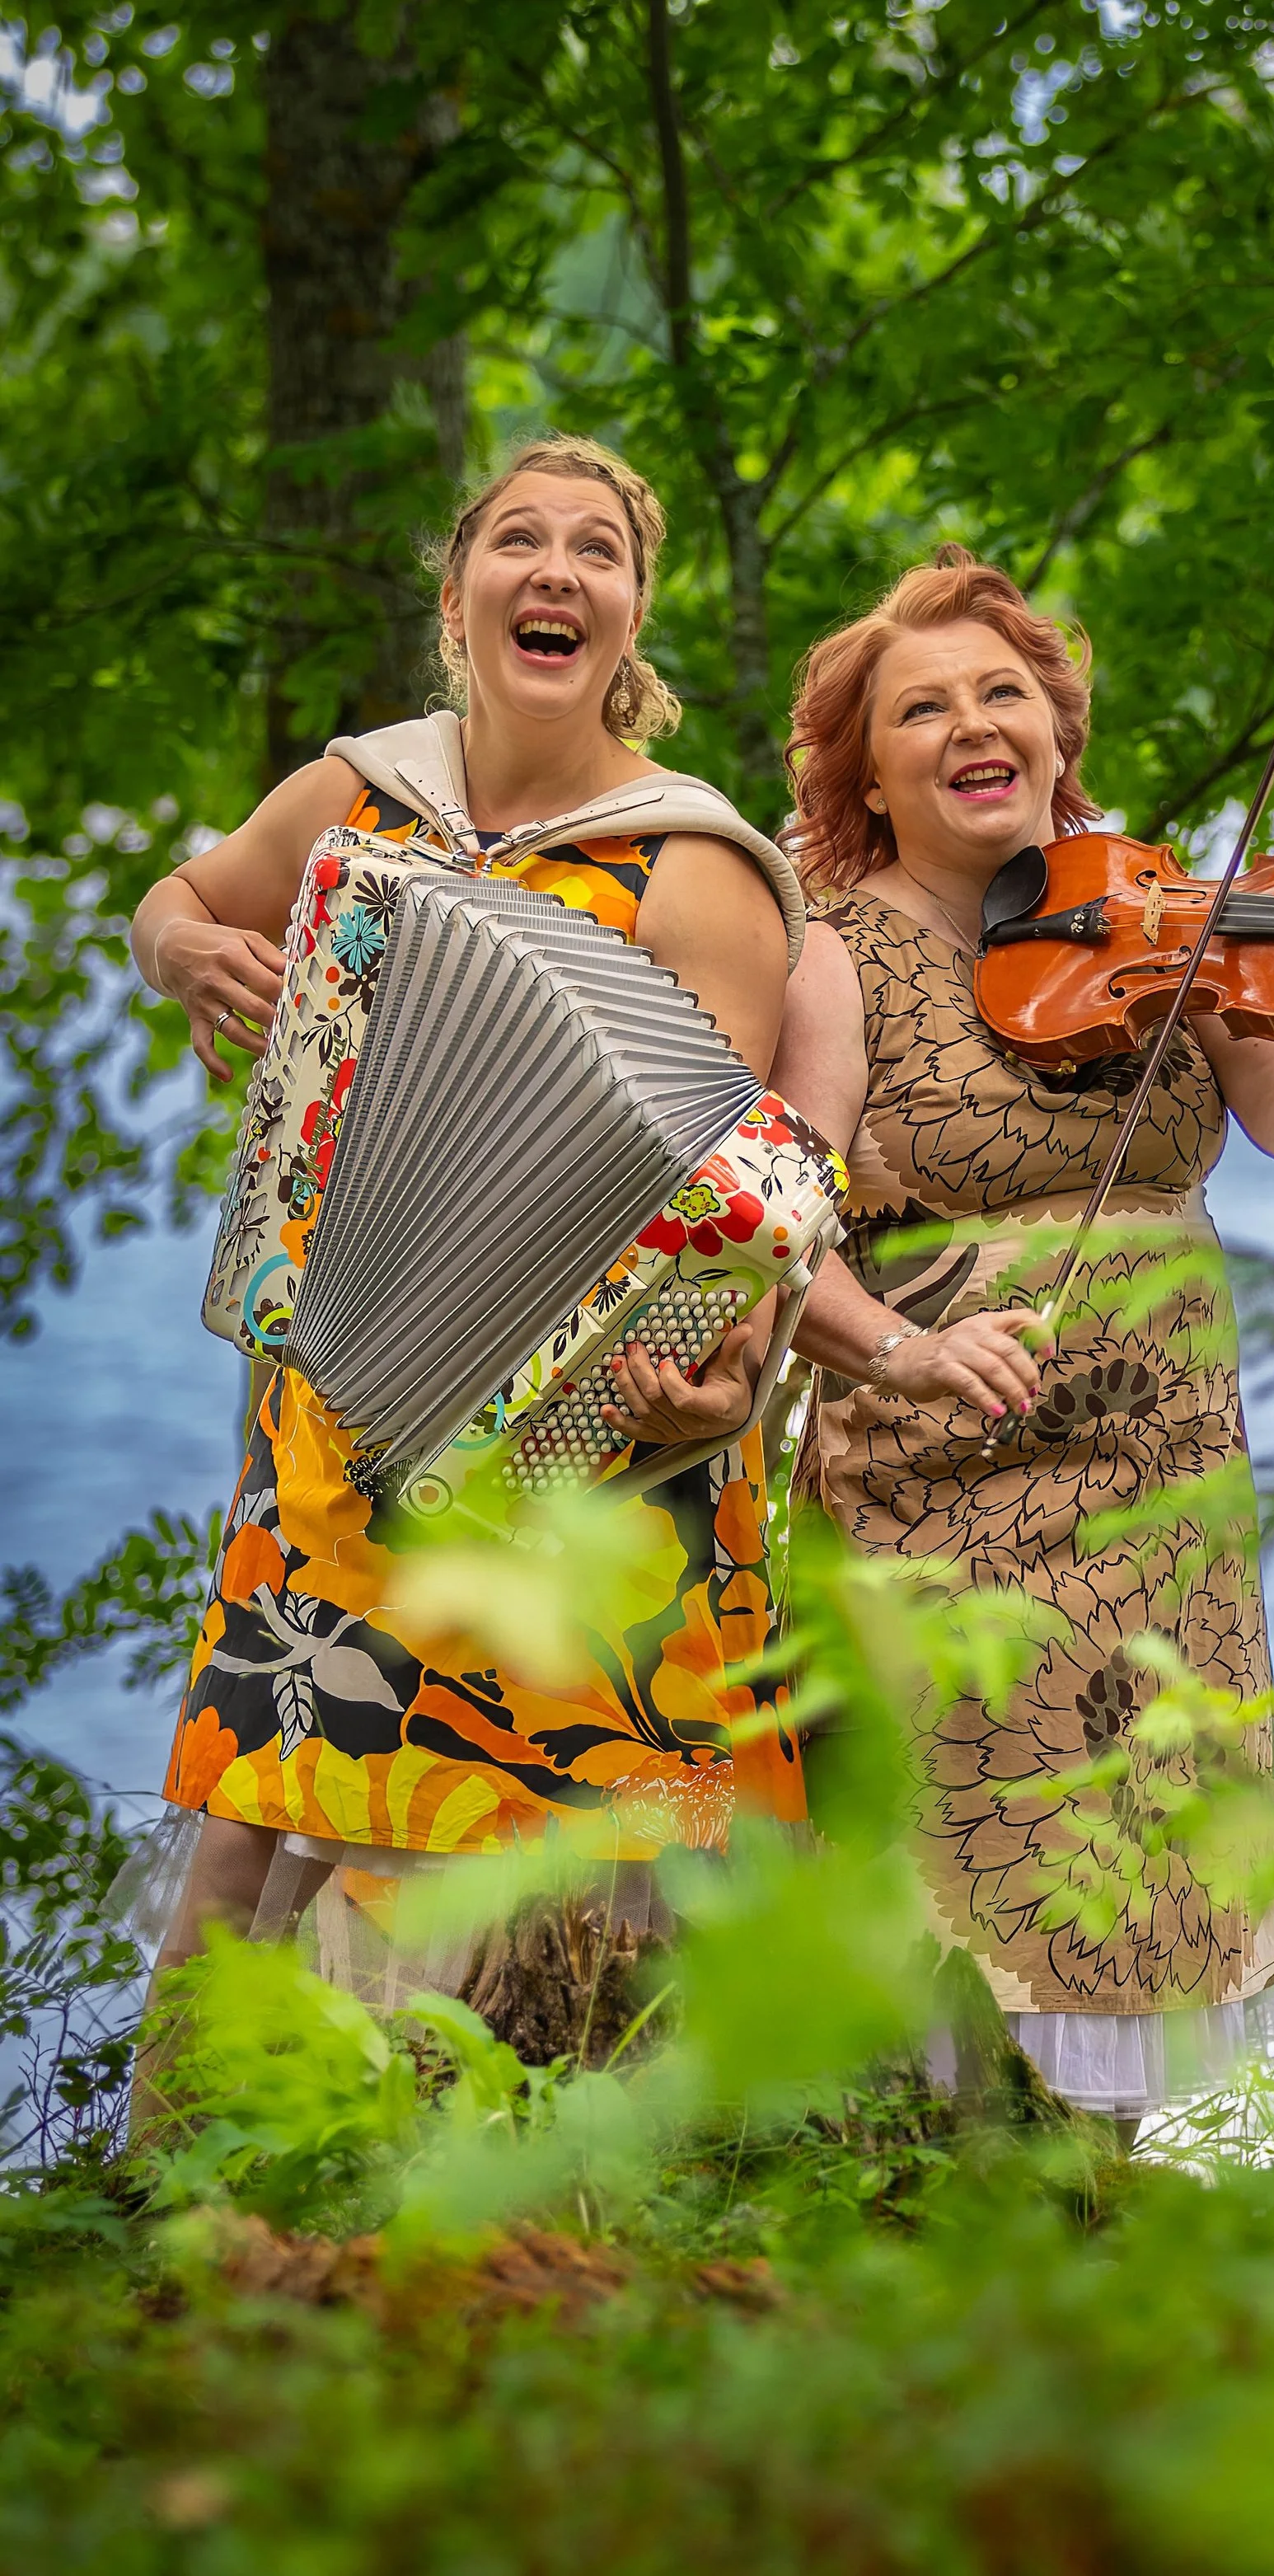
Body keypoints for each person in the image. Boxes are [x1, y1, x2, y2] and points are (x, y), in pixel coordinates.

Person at [606, 545, 1274, 2130]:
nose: (977, 726)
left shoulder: (1169, 930)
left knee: (1138, 1873)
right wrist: (900, 1353)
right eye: (924, 710)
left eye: (1006, 695)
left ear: (1057, 734)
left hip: (1161, 1498)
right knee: (958, 1878)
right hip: (939, 1483)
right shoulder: (829, 947)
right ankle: (923, 2224)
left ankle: (1095, 2247)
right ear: (870, 776)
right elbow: (768, 1229)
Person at [122, 434, 806, 2013]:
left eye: (599, 552)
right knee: (258, 1825)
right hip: (342, 1406)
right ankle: (181, 2208)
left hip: (590, 1446)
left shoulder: (691, 871)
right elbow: (182, 896)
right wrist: (182, 956)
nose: (556, 570)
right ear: (459, 594)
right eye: (520, 540)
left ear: (630, 625)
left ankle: (560, 2222)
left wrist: (722, 1381)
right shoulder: (364, 794)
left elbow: (736, 1201)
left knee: (562, 1859)